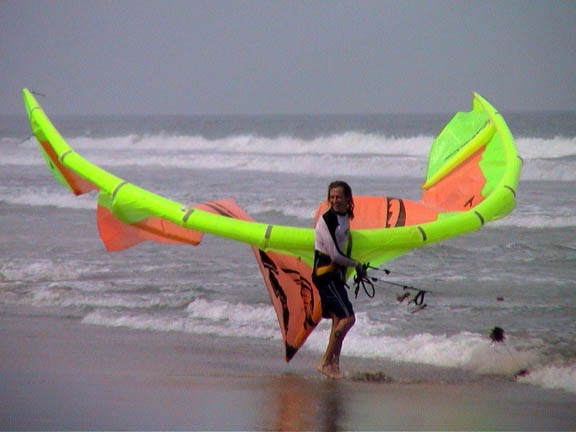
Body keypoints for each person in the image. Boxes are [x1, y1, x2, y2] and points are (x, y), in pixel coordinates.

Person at [312, 180, 365, 379]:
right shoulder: (327, 220)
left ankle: (334, 365)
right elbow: (334, 254)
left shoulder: (344, 217)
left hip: (335, 275)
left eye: (338, 197)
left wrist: (354, 270)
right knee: (348, 318)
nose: (334, 201)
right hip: (325, 275)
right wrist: (357, 265)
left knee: (337, 321)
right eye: (331, 197)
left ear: (347, 199)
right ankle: (325, 362)